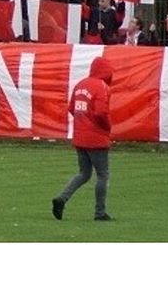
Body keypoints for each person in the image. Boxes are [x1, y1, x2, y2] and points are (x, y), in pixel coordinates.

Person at [52, 56, 114, 222]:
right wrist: (107, 127)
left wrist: (83, 121)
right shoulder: (102, 87)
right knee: (102, 174)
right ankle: (100, 213)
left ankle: (61, 198)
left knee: (84, 173)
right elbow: (101, 112)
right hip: (96, 137)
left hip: (80, 136)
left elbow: (72, 108)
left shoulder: (81, 84)